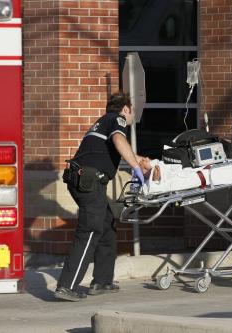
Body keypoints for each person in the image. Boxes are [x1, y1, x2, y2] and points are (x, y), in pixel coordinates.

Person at [55, 92, 145, 301]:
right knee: (90, 230)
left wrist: (141, 162)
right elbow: (119, 140)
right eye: (132, 112)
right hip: (90, 182)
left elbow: (119, 147)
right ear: (125, 108)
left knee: (107, 226)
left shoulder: (102, 122)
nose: (132, 117)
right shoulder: (117, 119)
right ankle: (66, 286)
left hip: (83, 180)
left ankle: (102, 281)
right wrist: (135, 168)